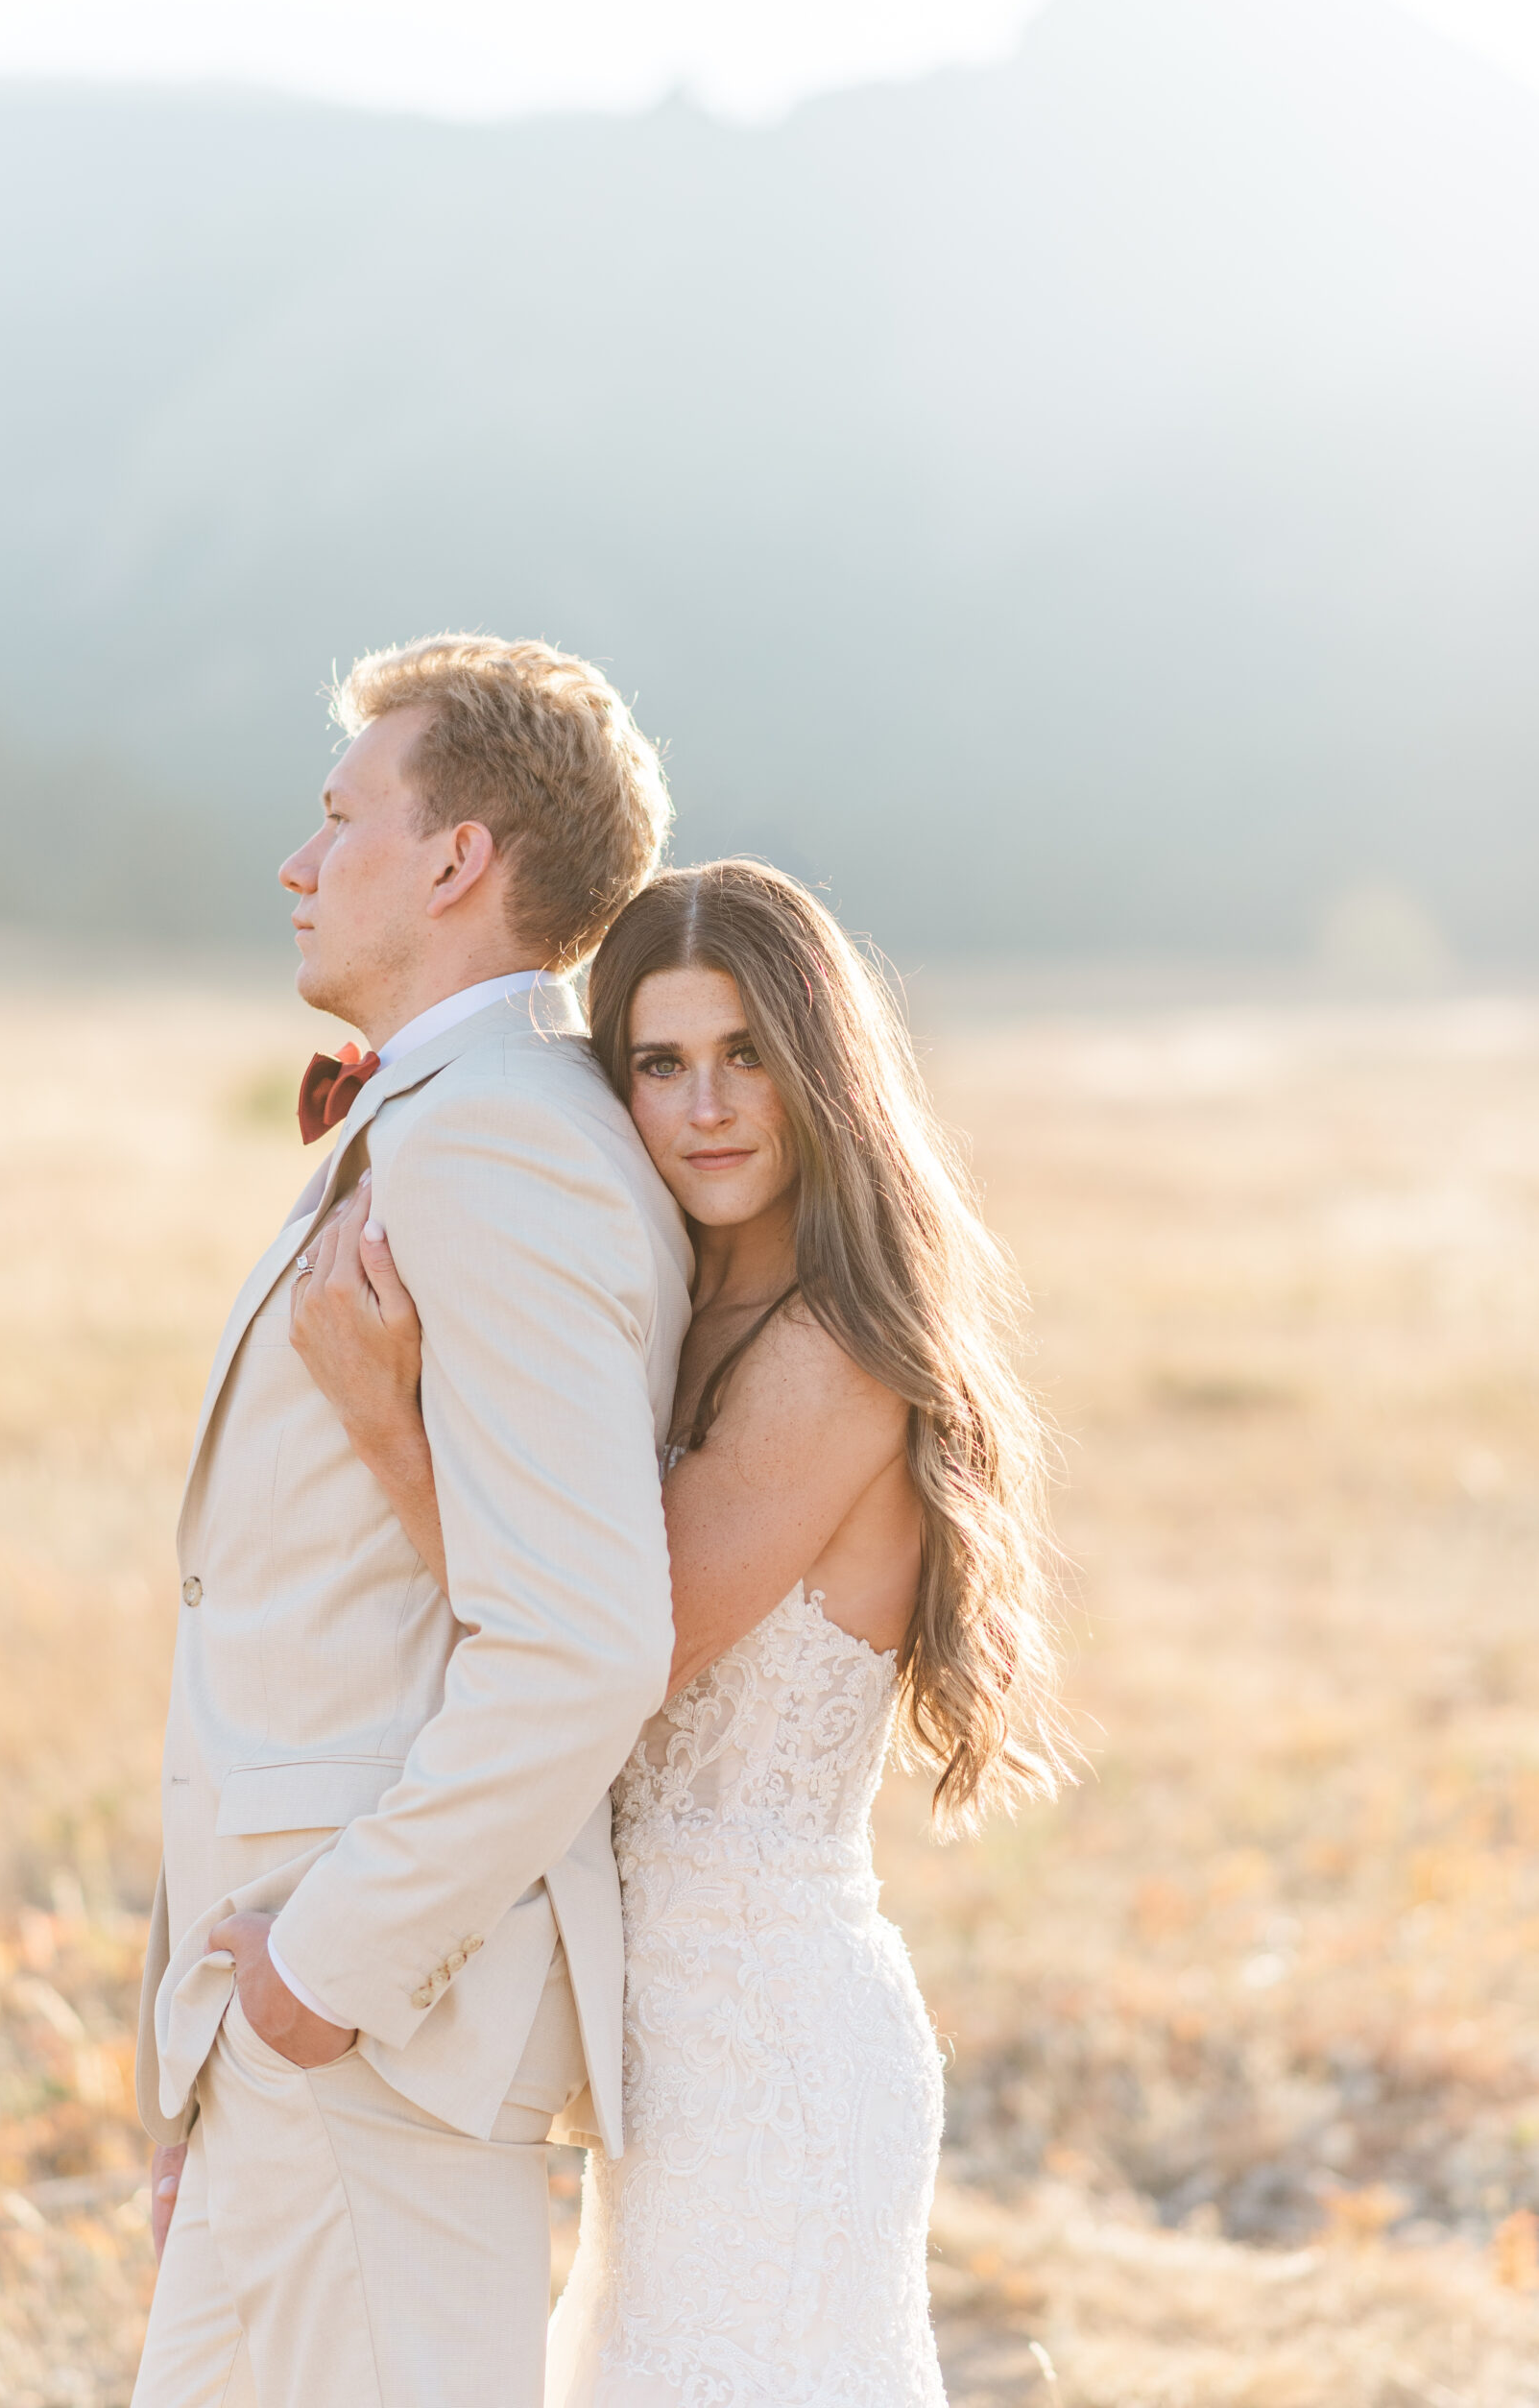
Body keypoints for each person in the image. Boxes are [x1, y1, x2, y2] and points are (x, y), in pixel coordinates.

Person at [294, 856, 1070, 2407]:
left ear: (819, 1074)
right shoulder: (674, 1309)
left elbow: (604, 1657)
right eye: (659, 1062)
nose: (706, 1106)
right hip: (657, 2055)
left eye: (747, 1058)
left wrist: (389, 1425)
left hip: (767, 2048)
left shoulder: (836, 1351)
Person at [132, 632, 691, 2408]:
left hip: (375, 2018)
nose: (299, 864)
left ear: (458, 860)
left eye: (338, 817)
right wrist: (209, 2054)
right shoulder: (463, 1118)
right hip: (285, 2028)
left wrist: (323, 1971)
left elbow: (583, 1641)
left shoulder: (497, 1146)